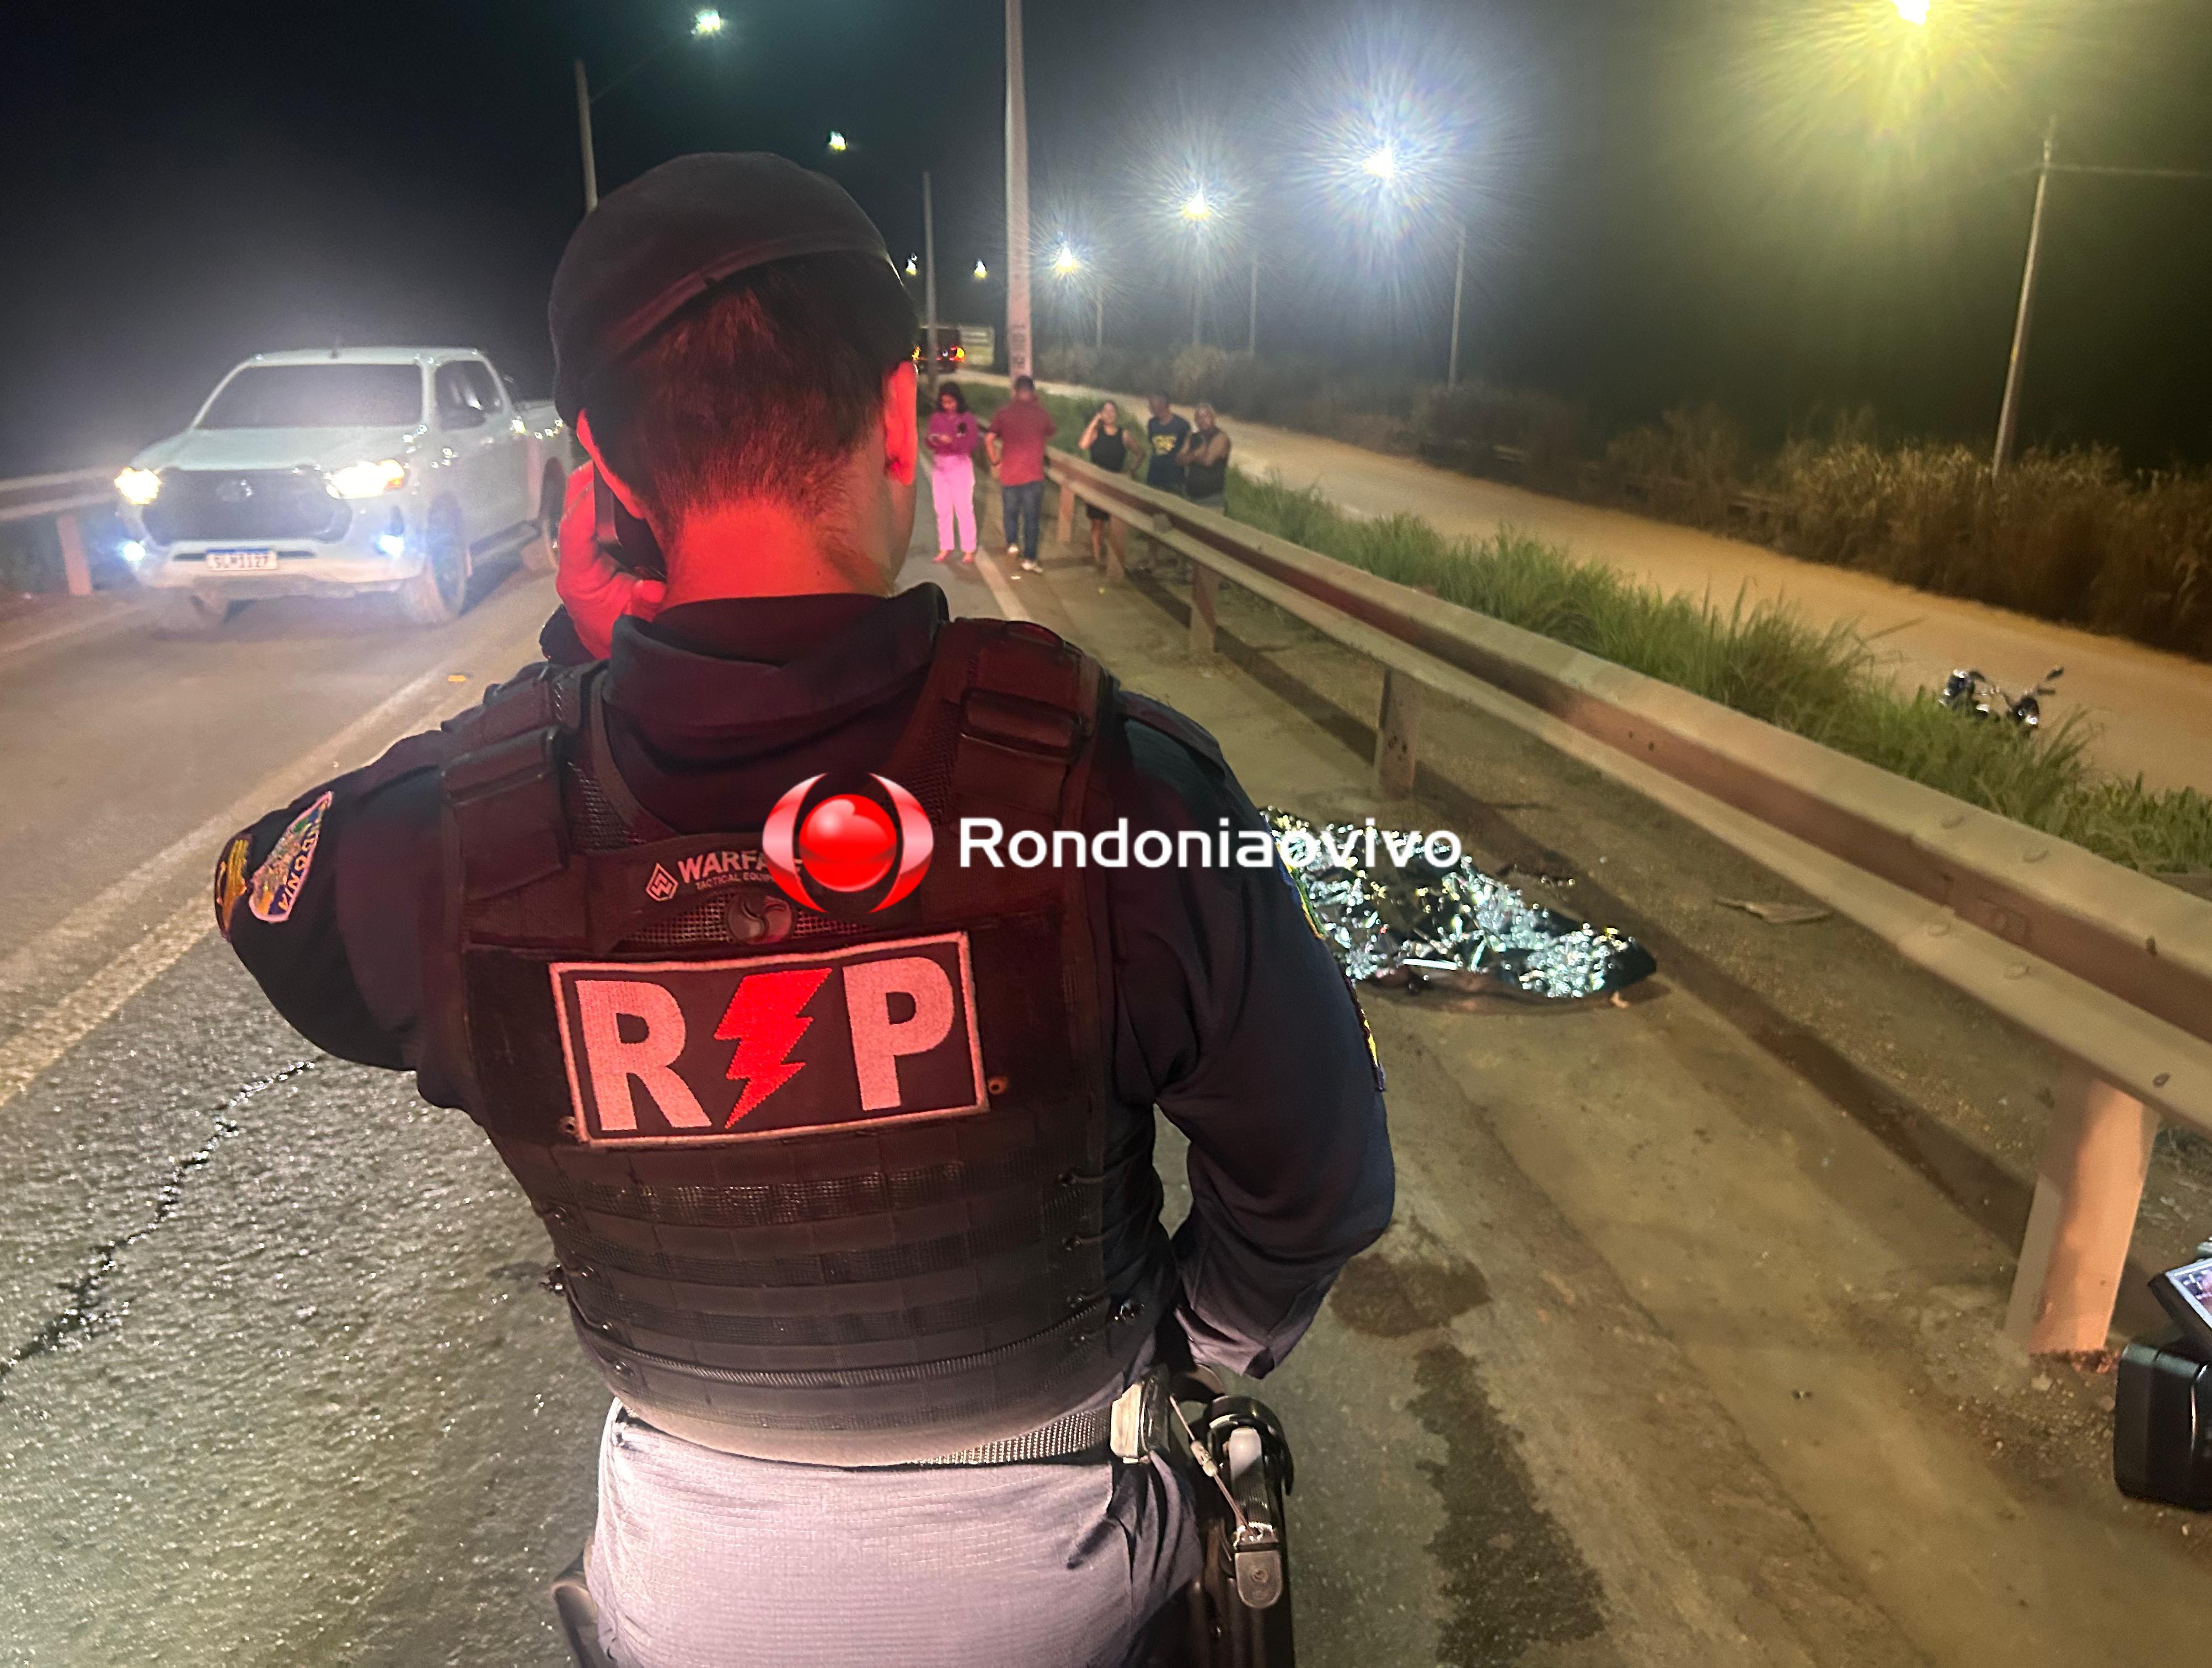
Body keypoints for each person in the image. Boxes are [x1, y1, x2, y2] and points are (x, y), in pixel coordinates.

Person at [210, 152, 1392, 1668]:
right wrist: (1188, 1345)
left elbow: (266, 886)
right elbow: (1319, 1180)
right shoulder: (1121, 791)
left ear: (602, 476)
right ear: (902, 416)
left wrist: (574, 664)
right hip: (1069, 1580)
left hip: (688, 1592)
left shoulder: (459, 843)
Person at [984, 373, 1057, 574]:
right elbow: (1051, 432)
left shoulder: (1004, 412)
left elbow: (989, 439)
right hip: (1033, 475)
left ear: (1015, 392)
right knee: (1032, 519)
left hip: (1010, 474)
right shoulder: (1041, 413)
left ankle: (1012, 545)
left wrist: (995, 461)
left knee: (1010, 514)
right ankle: (1030, 560)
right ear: (1033, 392)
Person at [923, 382, 981, 564]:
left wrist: (952, 442)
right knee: (942, 508)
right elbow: (929, 439)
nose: (948, 406)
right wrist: (933, 440)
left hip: (960, 465)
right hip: (940, 465)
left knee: (964, 509)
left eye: (951, 402)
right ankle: (945, 546)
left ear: (958, 400)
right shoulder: (937, 417)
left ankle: (969, 549)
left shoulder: (966, 419)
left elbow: (970, 444)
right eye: (944, 402)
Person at [1076, 399, 1136, 566]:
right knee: (1097, 522)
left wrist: (1131, 470)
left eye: (1113, 411)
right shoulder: (1097, 433)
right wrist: (1095, 422)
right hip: (1097, 484)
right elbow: (1083, 445)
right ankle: (1097, 556)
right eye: (1106, 411)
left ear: (1117, 415)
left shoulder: (1124, 434)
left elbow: (1140, 452)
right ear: (1101, 413)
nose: (1109, 414)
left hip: (1116, 485)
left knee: (1114, 523)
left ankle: (1113, 557)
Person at [1175, 404, 1231, 514]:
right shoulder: (1192, 437)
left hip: (1211, 502)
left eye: (1206, 416)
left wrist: (1189, 456)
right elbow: (1179, 460)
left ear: (1213, 418)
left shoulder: (1221, 437)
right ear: (1196, 421)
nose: (1202, 420)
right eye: (1199, 418)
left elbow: (1208, 461)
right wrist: (1196, 454)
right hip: (1189, 497)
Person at [1142, 394, 1190, 495]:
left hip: (1173, 478)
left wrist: (1183, 453)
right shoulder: (1152, 423)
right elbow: (1152, 444)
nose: (1149, 407)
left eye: (1152, 404)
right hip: (1154, 476)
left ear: (1162, 404)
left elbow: (1188, 445)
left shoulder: (1182, 425)